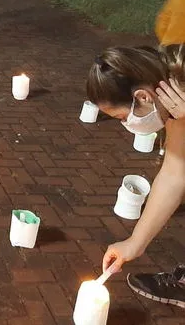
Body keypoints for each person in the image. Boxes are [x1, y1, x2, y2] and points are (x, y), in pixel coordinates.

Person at [86, 44, 185, 307]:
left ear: (142, 97)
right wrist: (135, 242)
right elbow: (175, 173)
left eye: (121, 117)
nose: (125, 124)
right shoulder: (175, 103)